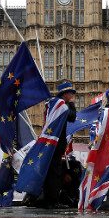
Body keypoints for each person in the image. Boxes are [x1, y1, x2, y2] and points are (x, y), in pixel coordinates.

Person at [33, 80, 77, 208]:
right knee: (54, 172)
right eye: (70, 94)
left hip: (50, 143)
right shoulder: (61, 105)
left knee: (50, 171)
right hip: (56, 143)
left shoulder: (52, 104)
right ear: (65, 94)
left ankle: (49, 200)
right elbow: (72, 117)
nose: (72, 96)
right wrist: (72, 104)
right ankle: (52, 201)